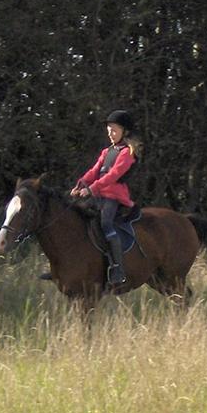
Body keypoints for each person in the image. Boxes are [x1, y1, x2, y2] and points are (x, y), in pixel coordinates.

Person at [69, 109, 141, 288]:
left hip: (113, 197)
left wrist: (91, 189)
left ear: (125, 132)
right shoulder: (106, 151)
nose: (110, 133)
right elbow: (95, 171)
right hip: (98, 194)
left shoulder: (127, 153)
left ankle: (117, 269)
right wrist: (81, 184)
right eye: (109, 130)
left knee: (106, 224)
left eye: (114, 130)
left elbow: (113, 175)